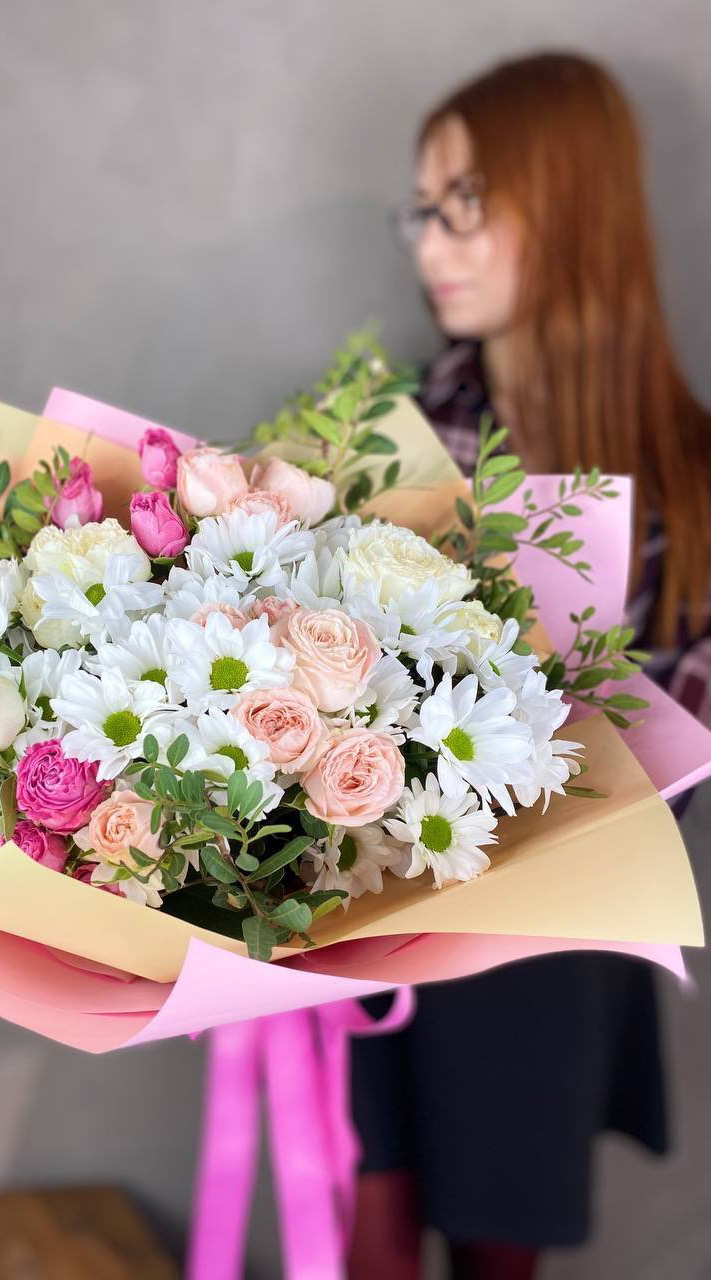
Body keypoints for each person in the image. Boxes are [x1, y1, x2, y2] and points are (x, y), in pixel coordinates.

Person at [348, 51, 711, 1280]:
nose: (432, 243)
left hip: (542, 954)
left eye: (466, 202)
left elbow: (673, 771)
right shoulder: (383, 436)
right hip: (362, 919)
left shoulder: (693, 482)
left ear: (570, 205)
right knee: (362, 1230)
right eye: (422, 208)